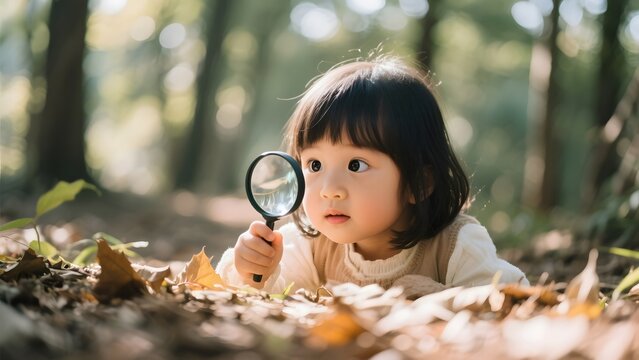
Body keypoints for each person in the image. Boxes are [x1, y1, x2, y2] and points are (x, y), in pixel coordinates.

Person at [216, 57, 528, 298]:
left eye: (356, 165)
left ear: (419, 183)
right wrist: (253, 269)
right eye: (314, 165)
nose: (330, 190)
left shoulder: (457, 247)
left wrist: (434, 297)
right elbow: (259, 293)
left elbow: (502, 300)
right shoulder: (313, 245)